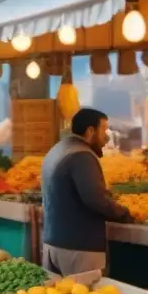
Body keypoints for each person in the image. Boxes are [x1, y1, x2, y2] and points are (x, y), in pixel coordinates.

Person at [41, 108, 133, 275]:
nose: (106, 137)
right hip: (78, 248)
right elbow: (94, 199)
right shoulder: (82, 156)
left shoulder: (57, 149)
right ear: (90, 131)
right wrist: (124, 214)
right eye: (104, 130)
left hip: (53, 243)